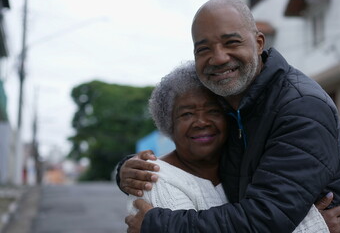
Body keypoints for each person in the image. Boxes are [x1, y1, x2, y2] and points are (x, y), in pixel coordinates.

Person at [120, 0, 340, 233]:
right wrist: (125, 170)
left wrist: (158, 224)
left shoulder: (301, 108)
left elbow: (265, 219)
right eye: (204, 49)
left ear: (259, 43)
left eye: (231, 42)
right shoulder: (236, 104)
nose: (219, 57)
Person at [127, 61, 329, 233]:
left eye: (213, 111)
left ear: (229, 118)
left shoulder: (243, 167)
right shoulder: (153, 179)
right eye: (187, 114)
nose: (201, 122)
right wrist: (312, 227)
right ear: (168, 123)